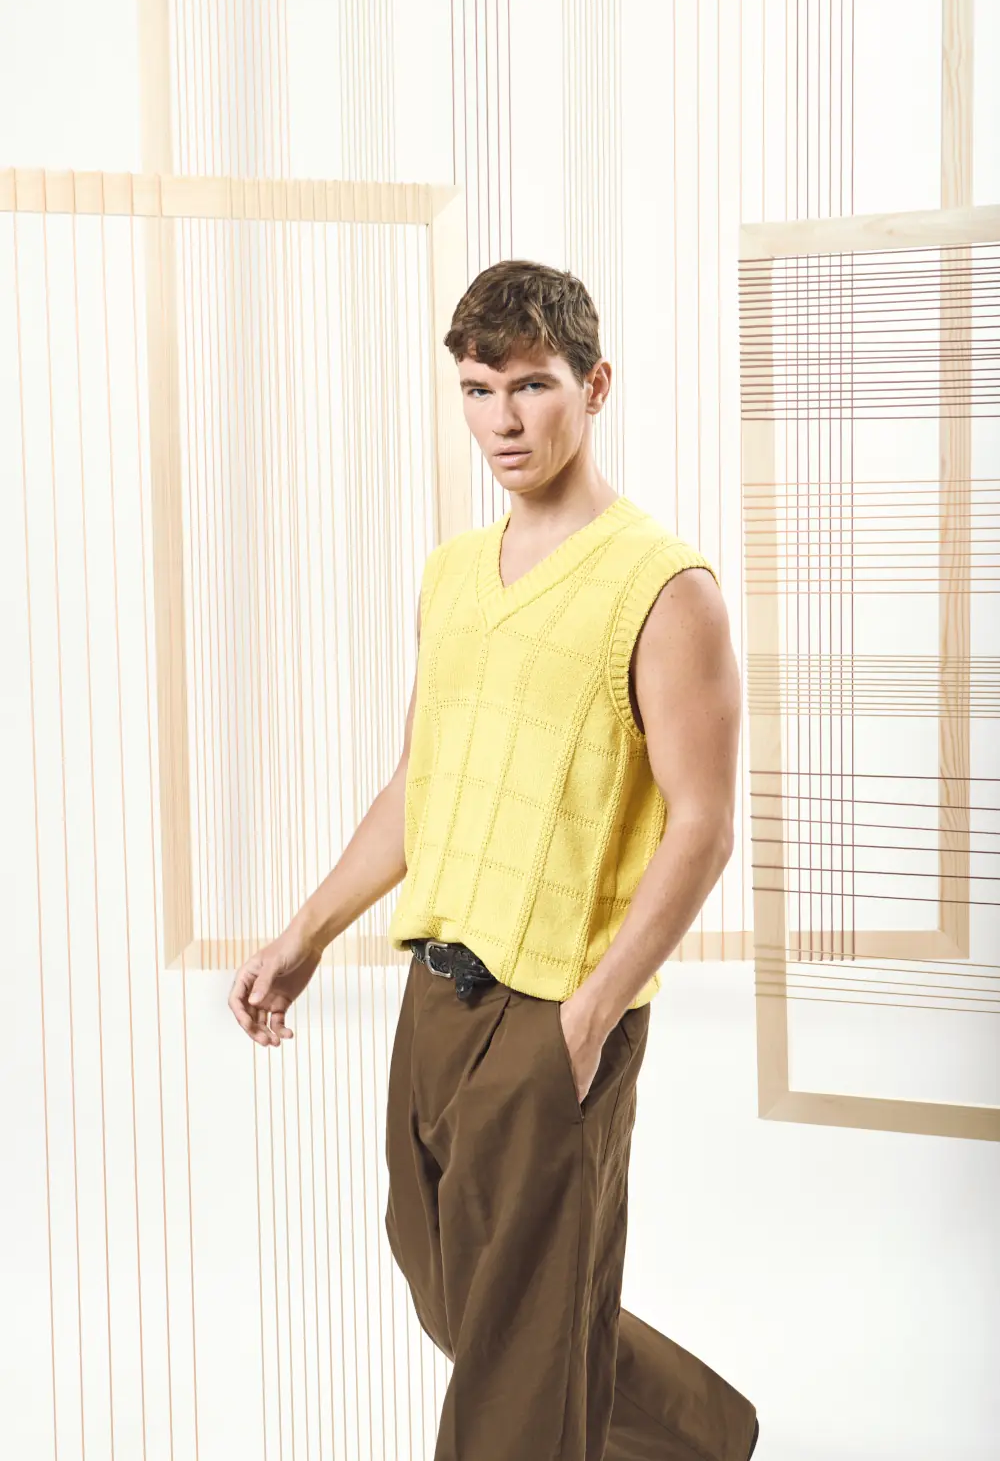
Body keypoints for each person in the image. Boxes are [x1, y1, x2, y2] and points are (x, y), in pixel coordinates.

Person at [229, 260, 759, 1461]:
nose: (503, 420)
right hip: (435, 992)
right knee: (455, 1294)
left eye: (532, 386)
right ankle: (700, 1434)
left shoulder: (663, 589)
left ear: (595, 386)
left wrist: (589, 1017)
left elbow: (702, 824)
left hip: (555, 1003)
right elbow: (416, 787)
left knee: (514, 1353)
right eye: (478, 389)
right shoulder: (454, 575)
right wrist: (304, 935)